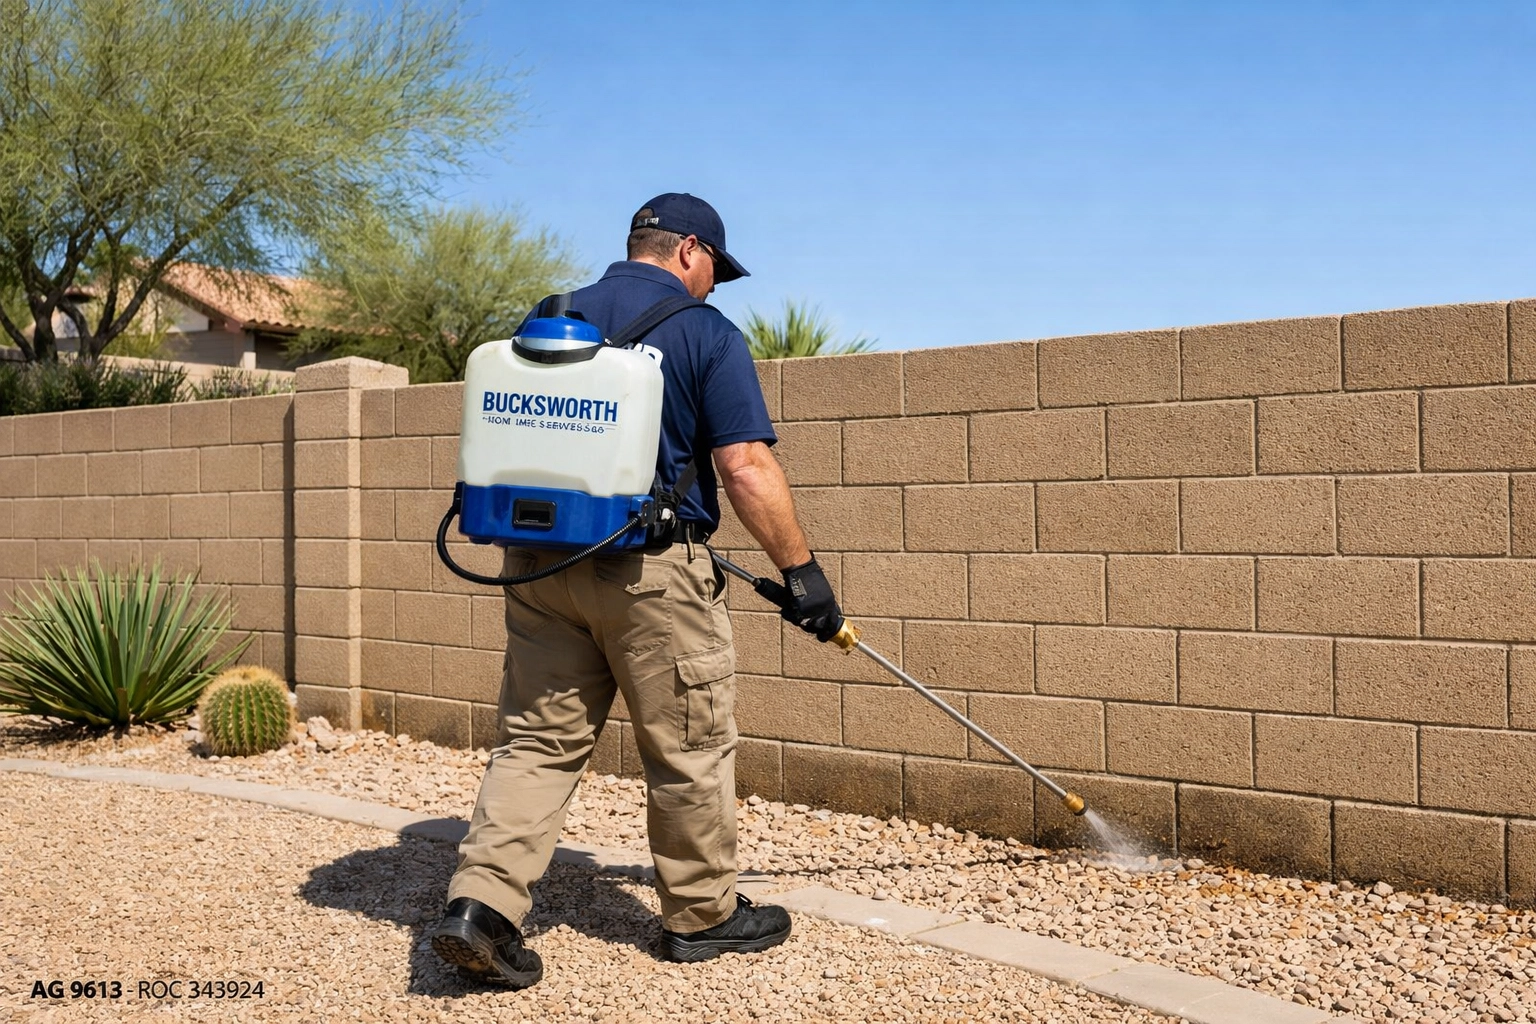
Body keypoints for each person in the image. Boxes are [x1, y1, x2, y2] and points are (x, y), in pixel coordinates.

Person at [430, 193, 844, 988]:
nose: (715, 287)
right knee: (687, 748)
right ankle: (703, 917)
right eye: (714, 270)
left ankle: (480, 907)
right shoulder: (703, 332)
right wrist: (802, 574)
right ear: (688, 249)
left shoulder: (548, 321)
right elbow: (745, 465)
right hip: (652, 576)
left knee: (536, 744)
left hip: (540, 568)